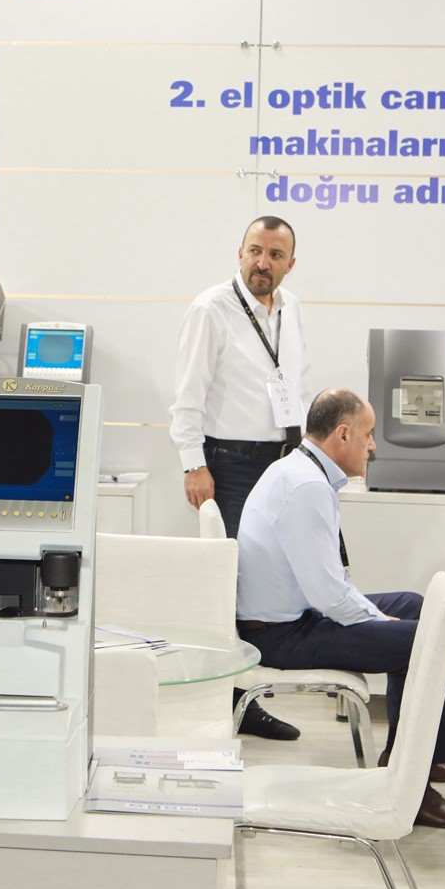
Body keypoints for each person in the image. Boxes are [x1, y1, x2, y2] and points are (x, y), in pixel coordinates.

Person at [234, 389, 445, 828]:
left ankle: (420, 759)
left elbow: (327, 588)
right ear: (343, 433)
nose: (372, 445)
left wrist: (379, 616)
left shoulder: (297, 470)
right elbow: (329, 596)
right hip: (278, 635)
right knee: (433, 641)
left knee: (414, 606)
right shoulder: (307, 487)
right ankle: (413, 790)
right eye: (368, 434)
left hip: (291, 616)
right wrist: (377, 619)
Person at [170, 215, 310, 740]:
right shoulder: (211, 309)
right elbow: (188, 394)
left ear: (290, 264)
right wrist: (193, 463)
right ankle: (230, 705)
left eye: (274, 255)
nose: (262, 263)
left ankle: (252, 695)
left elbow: (294, 383)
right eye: (254, 251)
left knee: (268, 583)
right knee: (228, 585)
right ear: (239, 253)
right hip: (229, 465)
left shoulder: (292, 307)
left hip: (282, 461)